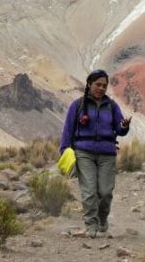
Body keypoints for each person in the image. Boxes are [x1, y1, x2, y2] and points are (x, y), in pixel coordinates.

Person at [59, 69, 132, 238]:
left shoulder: (111, 106)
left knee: (105, 192)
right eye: (97, 84)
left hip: (107, 153)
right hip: (83, 152)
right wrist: (65, 151)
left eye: (104, 86)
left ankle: (102, 218)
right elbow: (67, 129)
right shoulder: (77, 106)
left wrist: (124, 125)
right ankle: (90, 224)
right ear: (89, 85)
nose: (101, 88)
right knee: (89, 191)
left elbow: (120, 130)